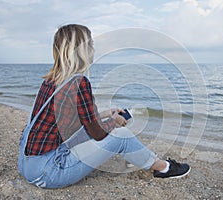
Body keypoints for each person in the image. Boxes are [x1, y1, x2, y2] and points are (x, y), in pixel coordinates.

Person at [18, 24, 191, 189]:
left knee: (110, 133)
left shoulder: (51, 81)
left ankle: (140, 157)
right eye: (90, 44)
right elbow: (97, 134)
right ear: (81, 50)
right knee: (122, 136)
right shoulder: (79, 83)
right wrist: (115, 122)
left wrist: (106, 114)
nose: (93, 48)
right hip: (48, 173)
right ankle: (163, 168)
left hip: (27, 165)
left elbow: (69, 123)